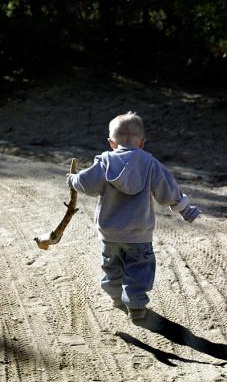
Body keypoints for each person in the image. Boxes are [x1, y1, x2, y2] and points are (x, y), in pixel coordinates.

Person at [66, 112, 199, 320]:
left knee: (112, 266)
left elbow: (86, 183)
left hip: (109, 233)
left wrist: (73, 179)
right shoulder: (149, 163)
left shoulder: (105, 162)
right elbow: (168, 189)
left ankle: (115, 295)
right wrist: (185, 209)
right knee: (138, 269)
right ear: (142, 142)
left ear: (111, 142)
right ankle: (136, 305)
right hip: (139, 234)